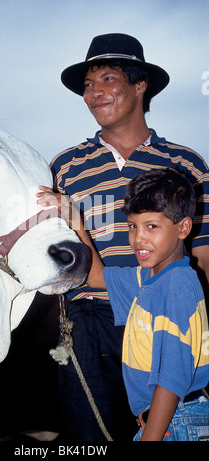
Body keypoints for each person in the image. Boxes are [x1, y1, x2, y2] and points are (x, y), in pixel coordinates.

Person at [37, 33, 209, 442]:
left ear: (140, 84)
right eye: (88, 86)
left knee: (165, 426)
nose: (94, 93)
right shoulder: (63, 167)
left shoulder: (187, 164)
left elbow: (202, 256)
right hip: (87, 320)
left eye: (108, 79)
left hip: (163, 317)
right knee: (88, 435)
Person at [39, 168, 209, 441]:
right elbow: (95, 276)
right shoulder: (148, 278)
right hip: (161, 421)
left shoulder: (177, 283)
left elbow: (172, 378)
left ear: (183, 228)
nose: (138, 238)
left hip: (174, 421)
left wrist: (150, 437)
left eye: (151, 226)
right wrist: (75, 220)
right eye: (133, 226)